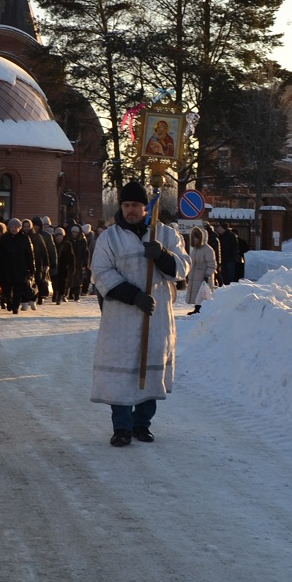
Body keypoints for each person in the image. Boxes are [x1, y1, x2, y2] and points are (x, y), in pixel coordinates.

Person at [91, 180, 189, 446]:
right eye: (126, 205)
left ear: (146, 208)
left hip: (155, 317)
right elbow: (101, 272)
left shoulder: (166, 234)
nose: (130, 210)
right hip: (121, 317)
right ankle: (121, 426)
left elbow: (183, 268)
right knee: (122, 373)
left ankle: (142, 424)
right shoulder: (109, 238)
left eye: (135, 205)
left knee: (150, 369)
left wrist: (163, 255)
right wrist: (133, 295)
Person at [185, 226, 216, 314]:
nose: (194, 240)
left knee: (202, 293)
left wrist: (207, 275)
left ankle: (201, 308)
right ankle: (197, 307)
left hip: (203, 275)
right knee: (196, 293)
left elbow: (212, 264)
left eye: (196, 239)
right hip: (195, 274)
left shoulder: (207, 249)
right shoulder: (195, 249)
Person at [56, 222, 80, 305]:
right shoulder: (53, 244)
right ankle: (58, 295)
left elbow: (72, 257)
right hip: (55, 266)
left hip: (64, 267)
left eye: (60, 235)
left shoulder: (67, 244)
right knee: (56, 282)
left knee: (63, 282)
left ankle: (61, 295)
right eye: (57, 235)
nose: (59, 237)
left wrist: (72, 268)